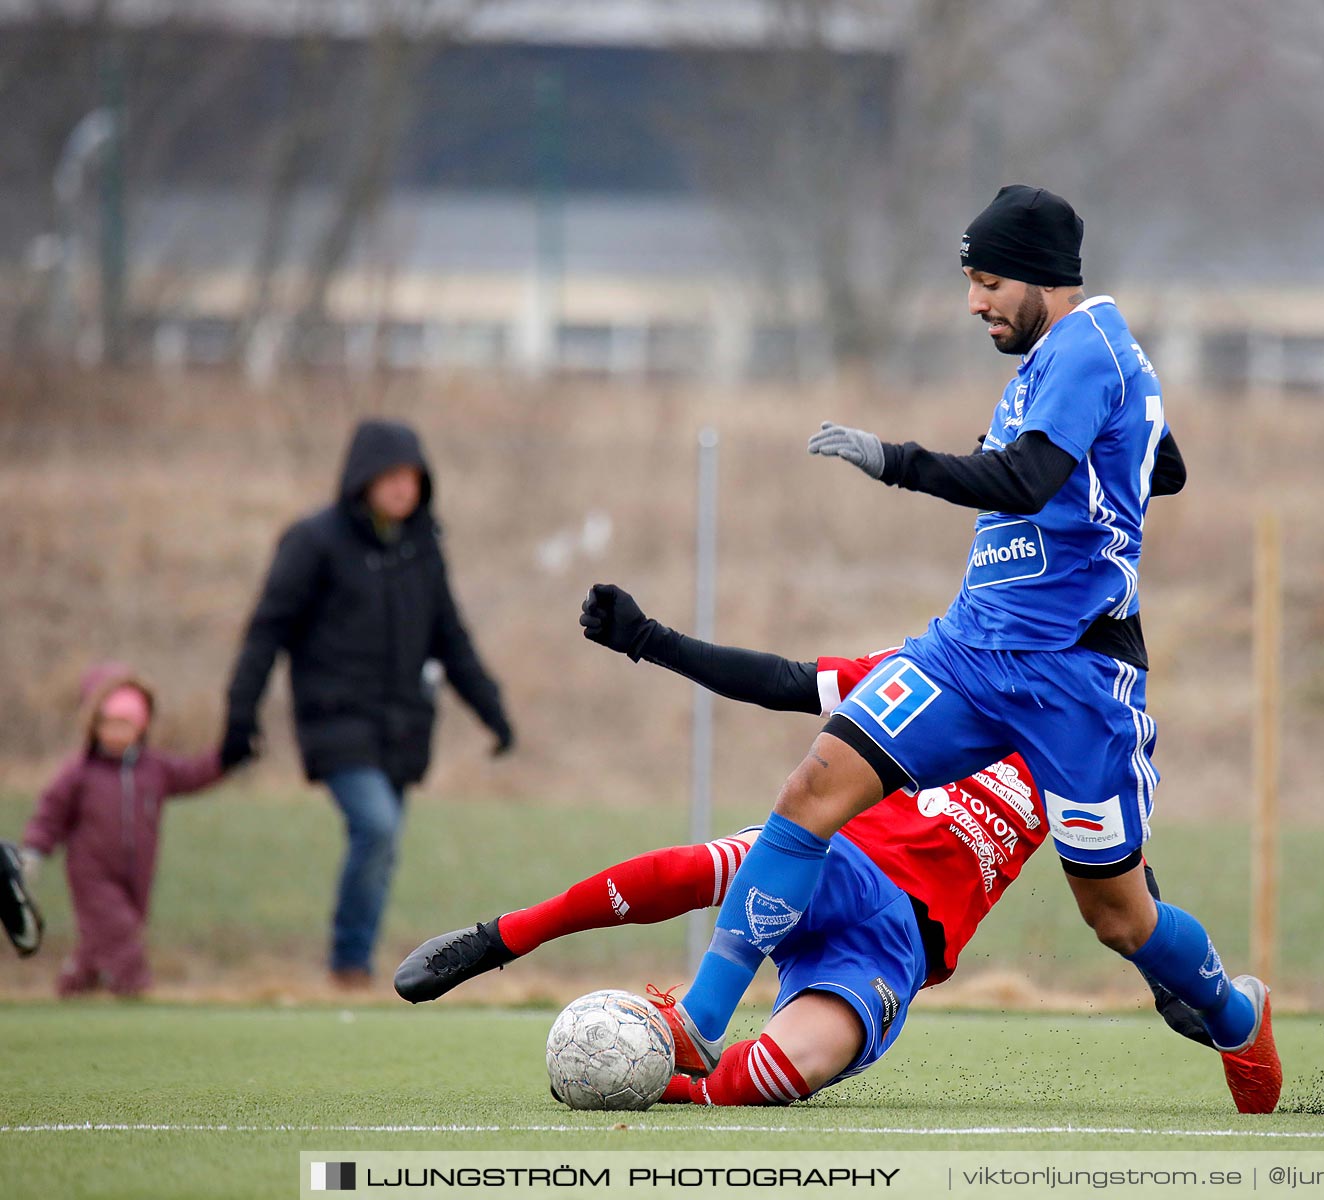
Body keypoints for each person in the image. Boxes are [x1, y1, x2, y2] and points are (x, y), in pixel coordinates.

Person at [656, 185, 1281, 1114]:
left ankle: (1235, 1015)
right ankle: (699, 1023)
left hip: (1072, 679)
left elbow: (1028, 479)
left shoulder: (1087, 348)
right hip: (969, 653)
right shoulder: (1066, 361)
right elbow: (1164, 464)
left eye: (988, 280)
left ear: (1040, 277)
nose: (976, 301)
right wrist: (1124, 453)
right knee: (812, 791)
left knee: (1118, 917)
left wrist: (897, 460)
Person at [393, 584, 1217, 1105]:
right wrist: (652, 640)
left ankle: (654, 1077)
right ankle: (501, 936)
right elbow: (788, 682)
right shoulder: (937, 668)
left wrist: (1162, 978)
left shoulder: (1091, 733)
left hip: (901, 945)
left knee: (789, 1073)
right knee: (708, 865)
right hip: (837, 863)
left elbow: (1119, 874)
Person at [222, 419, 515, 987]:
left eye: (413, 478)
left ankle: (359, 963)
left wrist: (492, 710)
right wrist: (241, 713)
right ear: (363, 478)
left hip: (403, 729)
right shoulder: (313, 541)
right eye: (392, 476)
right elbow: (267, 630)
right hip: (336, 724)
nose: (404, 488)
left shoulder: (423, 546)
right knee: (377, 829)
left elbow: (450, 636)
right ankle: (350, 967)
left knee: (384, 847)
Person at [17, 663, 231, 996]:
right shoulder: (80, 773)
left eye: (125, 726)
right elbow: (50, 814)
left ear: (142, 728)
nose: (117, 734)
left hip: (137, 875)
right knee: (120, 932)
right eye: (110, 725)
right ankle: (135, 989)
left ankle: (73, 986)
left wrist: (229, 758)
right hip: (91, 874)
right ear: (94, 727)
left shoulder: (155, 769)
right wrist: (34, 850)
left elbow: (194, 774)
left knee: (99, 941)